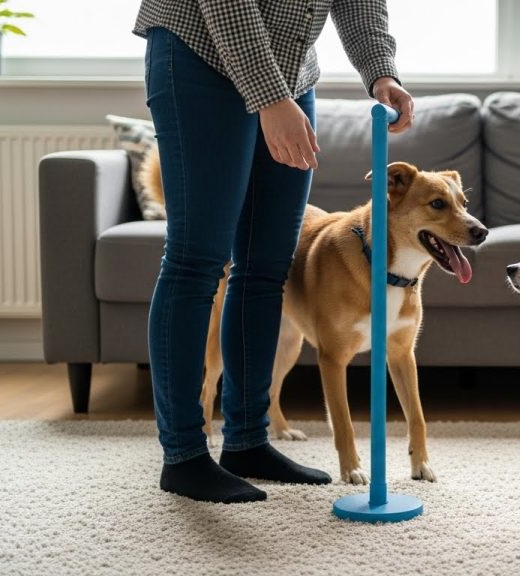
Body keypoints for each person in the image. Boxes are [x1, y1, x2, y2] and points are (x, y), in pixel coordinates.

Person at [133, 0, 415, 504]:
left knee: (266, 266)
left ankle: (246, 440)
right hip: (199, 53)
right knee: (196, 261)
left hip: (289, 72)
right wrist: (269, 99)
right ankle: (183, 455)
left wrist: (380, 72)